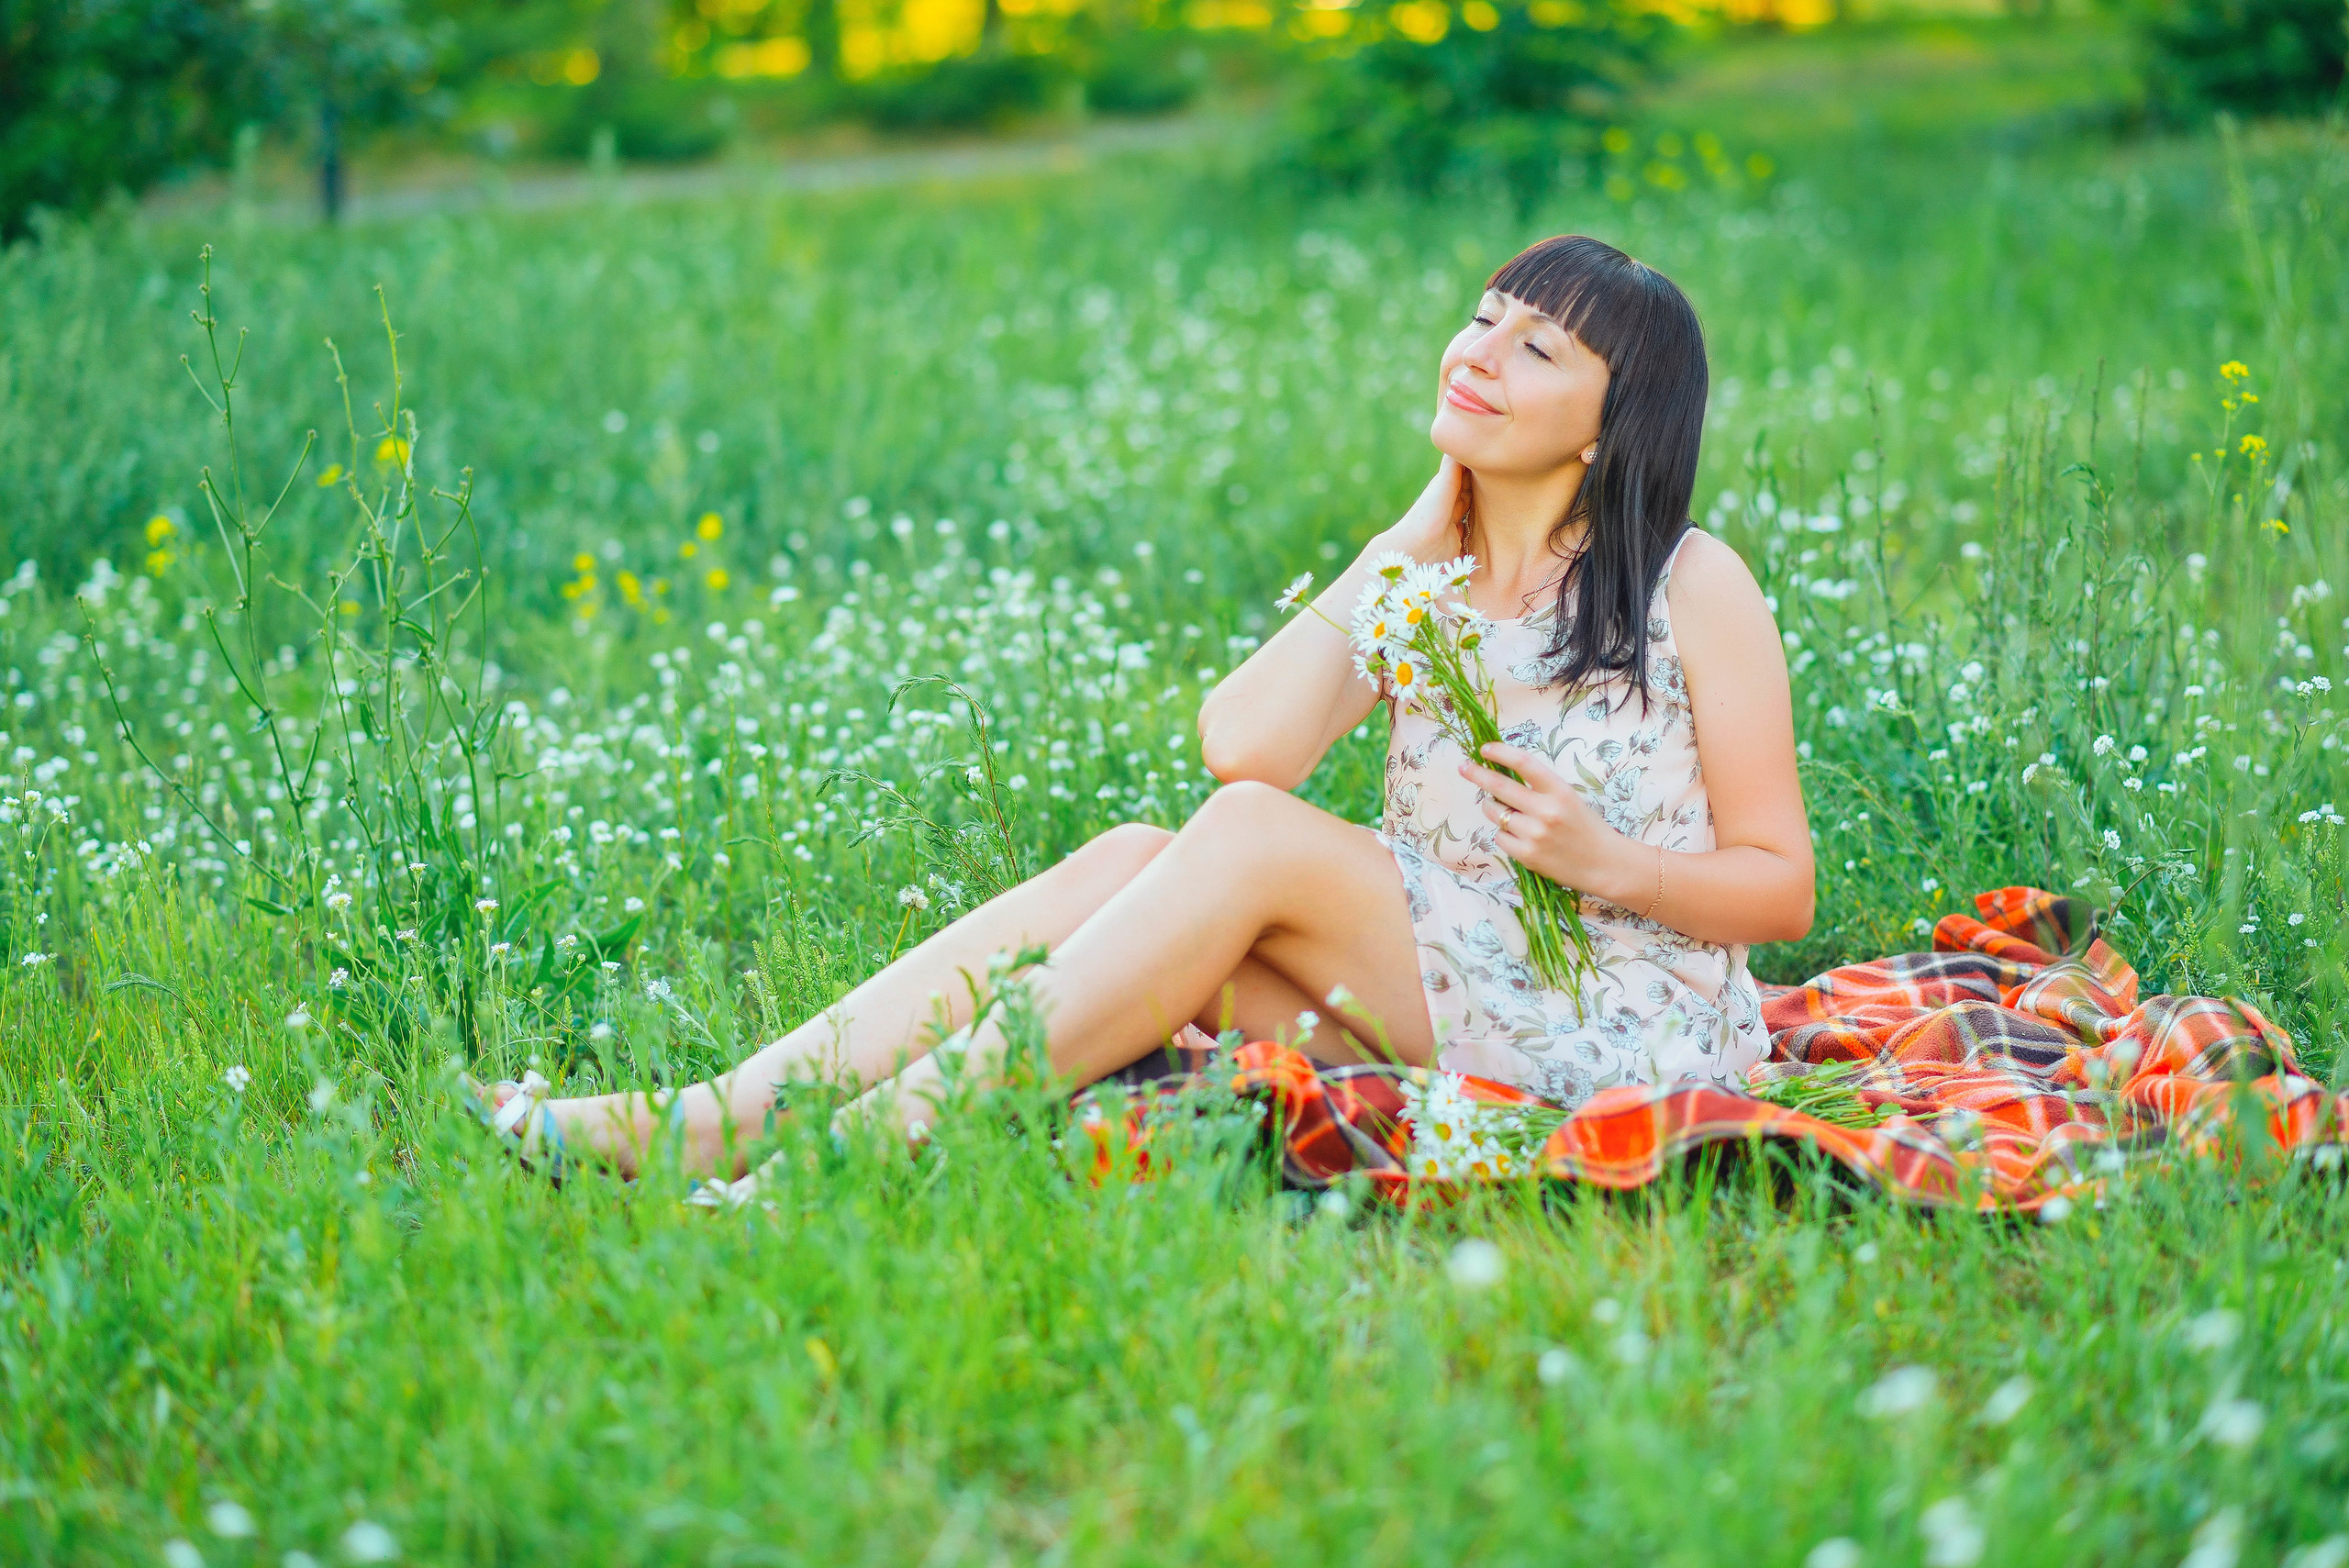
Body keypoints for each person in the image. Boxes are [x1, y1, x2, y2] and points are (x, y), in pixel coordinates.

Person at [469, 233, 1814, 1192]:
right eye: (1480, 318)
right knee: (1132, 857)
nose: (1478, 354)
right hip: (1454, 990)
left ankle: (830, 1169)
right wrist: (1415, 526)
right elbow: (1245, 745)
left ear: (1607, 424)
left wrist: (1606, 862)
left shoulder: (1693, 586)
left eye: (1537, 347)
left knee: (1243, 840)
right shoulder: (1423, 575)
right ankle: (706, 1119)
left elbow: (1783, 886)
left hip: (1622, 1019)